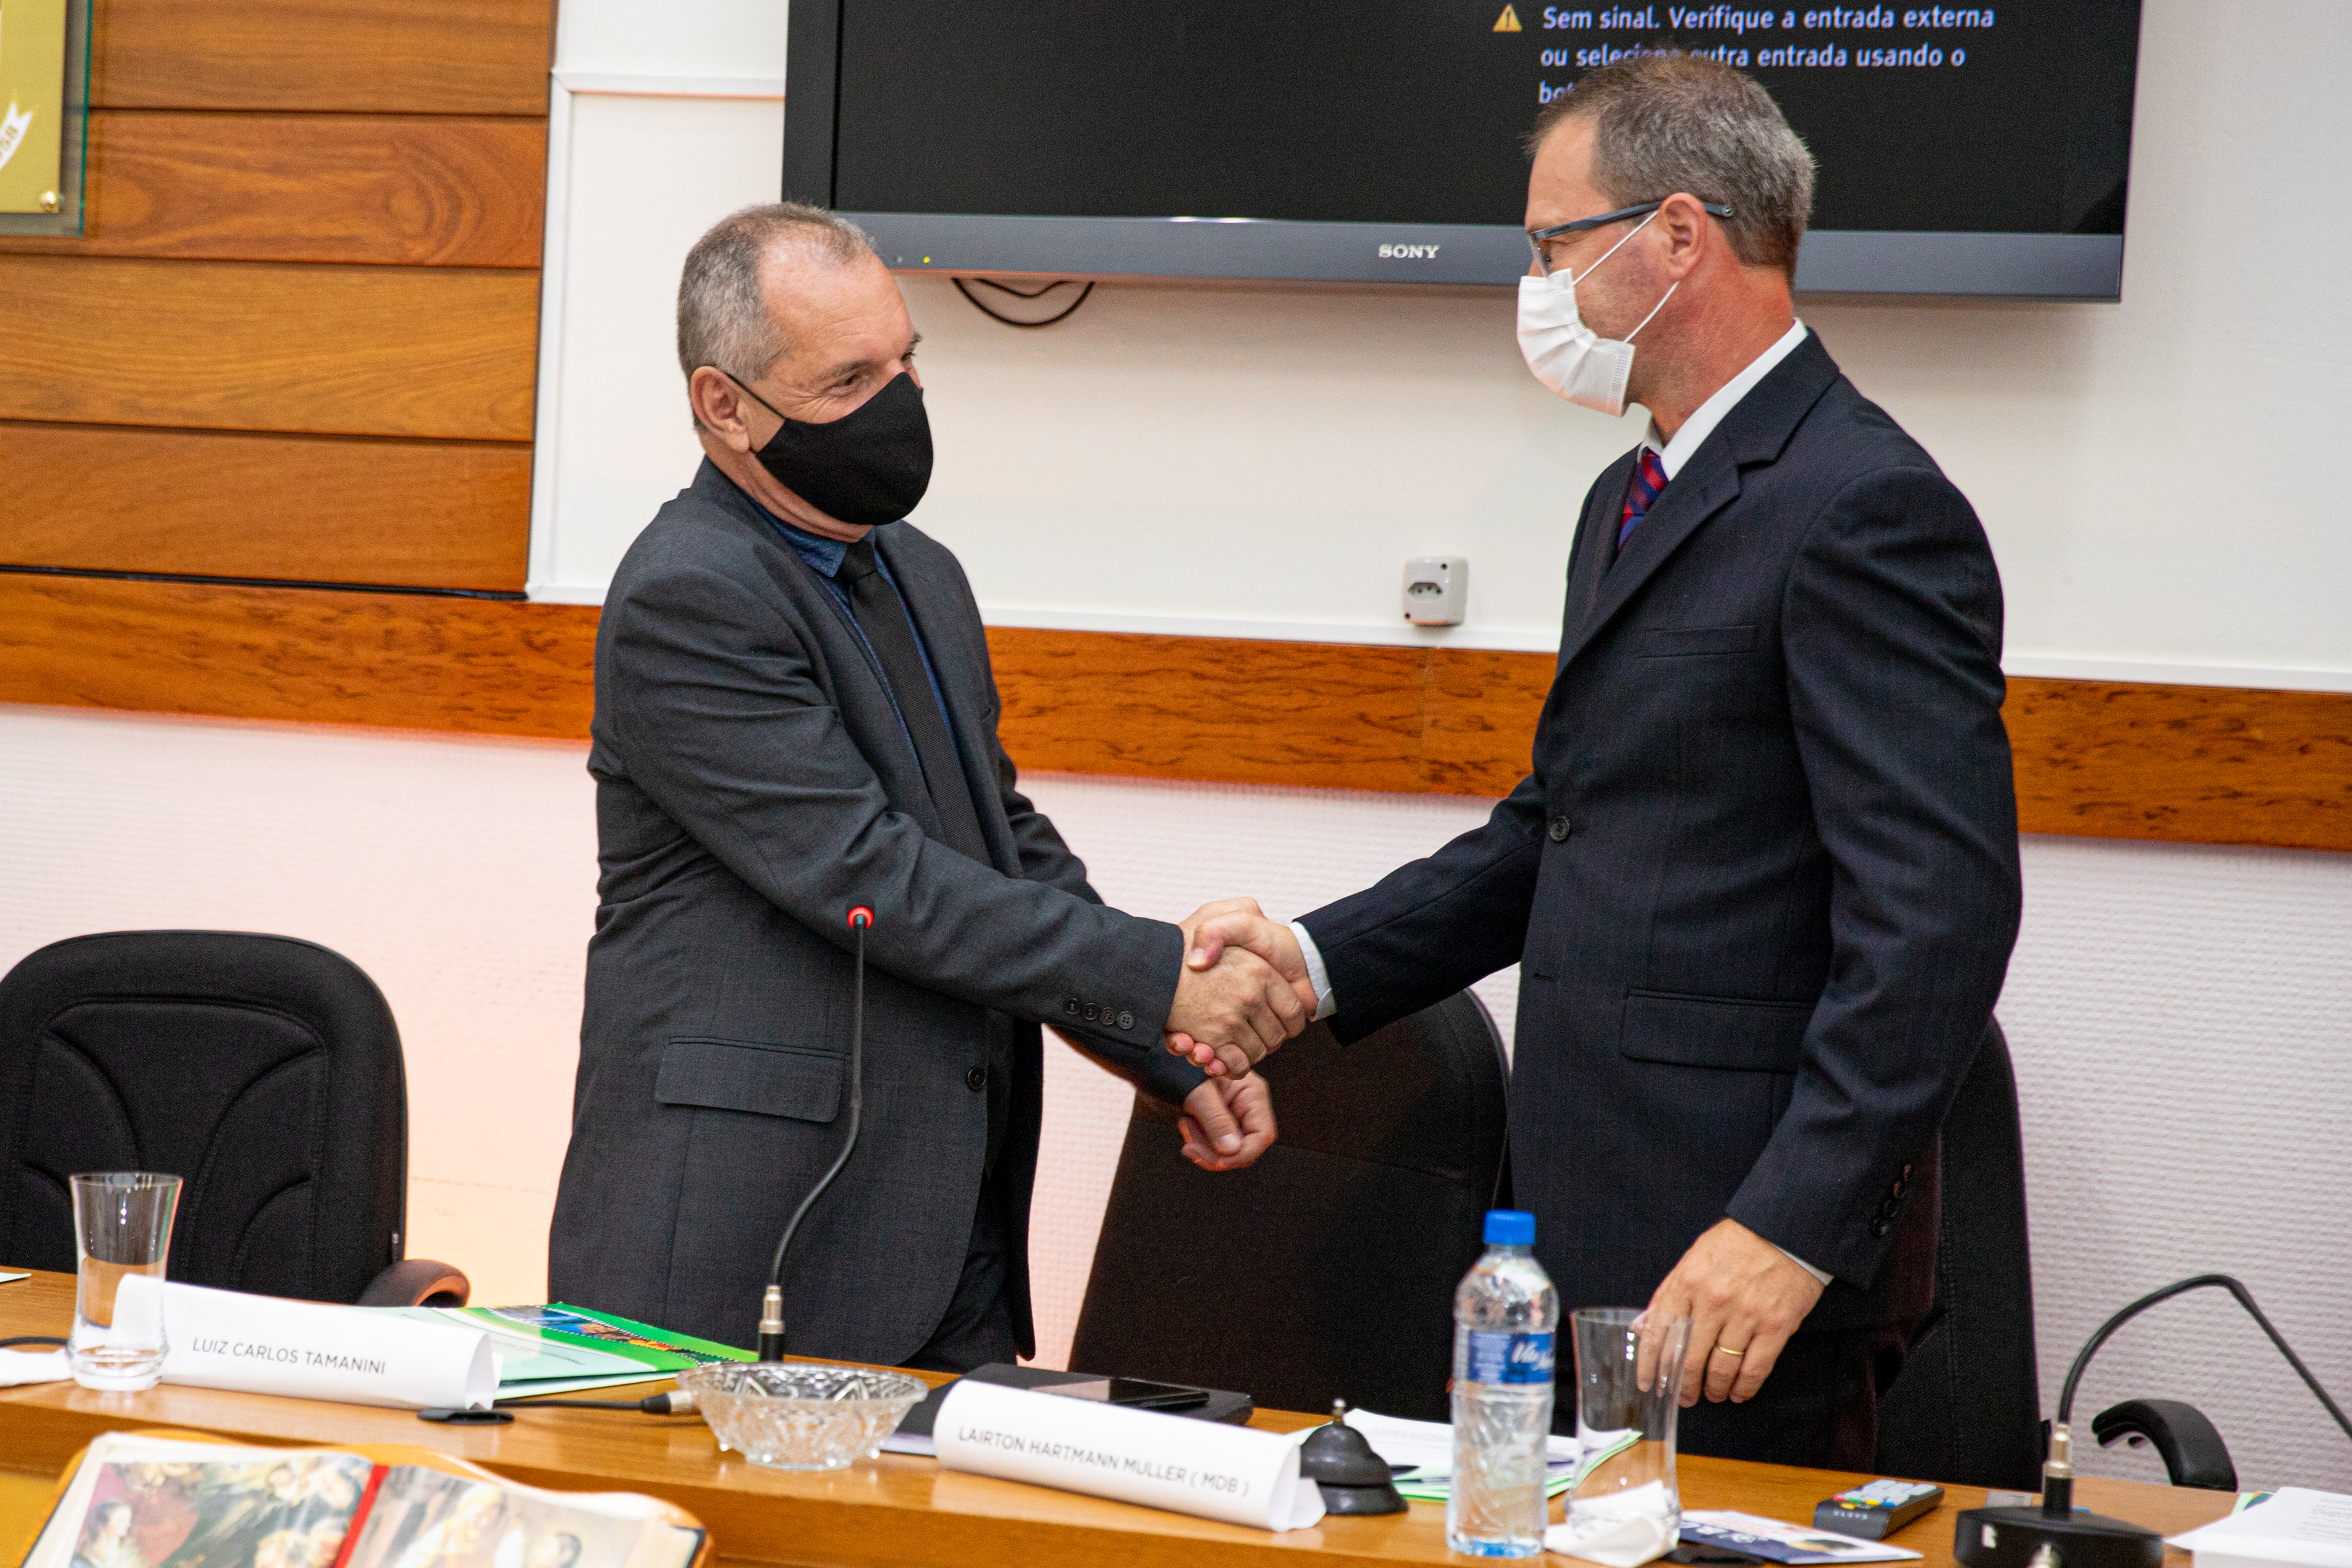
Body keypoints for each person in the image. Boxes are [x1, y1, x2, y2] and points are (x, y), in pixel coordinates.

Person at [1172, 56, 2021, 1468]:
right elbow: (1556, 829)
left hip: (1736, 1268)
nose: (1536, 283)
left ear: (1675, 235)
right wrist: (1308, 960)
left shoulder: (1862, 505)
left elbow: (1934, 916)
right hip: (1579, 1227)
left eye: (1551, 242)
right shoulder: (1621, 497)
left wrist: (1786, 1225)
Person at [549, 203, 1303, 1370]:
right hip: (746, 1243)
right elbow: (875, 879)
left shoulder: (920, 571)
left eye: (907, 361)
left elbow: (994, 836)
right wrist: (1165, 984)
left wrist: (1167, 1050)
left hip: (947, 1223)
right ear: (726, 405)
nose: (899, 402)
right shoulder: (686, 596)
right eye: (851, 379)